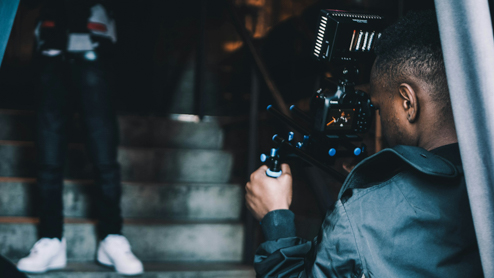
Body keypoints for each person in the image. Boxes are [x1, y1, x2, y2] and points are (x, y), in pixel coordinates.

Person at [245, 10, 483, 277]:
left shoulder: (362, 215)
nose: (376, 118)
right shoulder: (485, 182)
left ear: (408, 101)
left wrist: (275, 216)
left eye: (379, 107)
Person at [16, 1, 143, 276]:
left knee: (104, 156)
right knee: (48, 156)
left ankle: (111, 237)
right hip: (51, 51)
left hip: (94, 52)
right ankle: (52, 239)